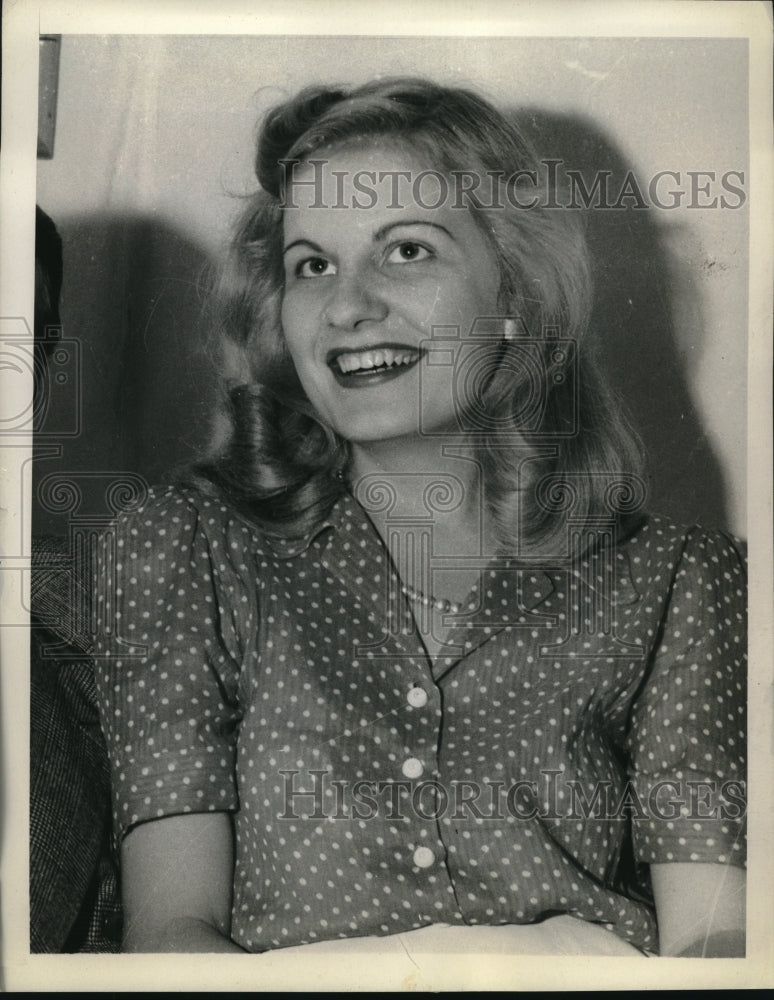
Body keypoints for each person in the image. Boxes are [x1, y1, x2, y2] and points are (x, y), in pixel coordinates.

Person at [94, 78, 746, 958]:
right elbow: (172, 935)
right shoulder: (184, 548)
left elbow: (714, 939)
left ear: (515, 293)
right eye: (311, 266)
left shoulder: (676, 580)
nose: (348, 305)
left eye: (405, 251)